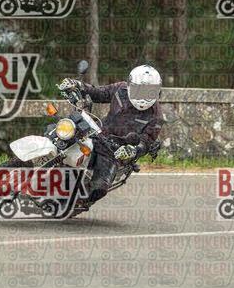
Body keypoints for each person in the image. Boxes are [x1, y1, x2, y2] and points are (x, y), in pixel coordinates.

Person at [58, 65, 163, 202]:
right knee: (61, 133)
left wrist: (133, 150)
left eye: (148, 91)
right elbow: (98, 92)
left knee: (99, 187)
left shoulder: (156, 116)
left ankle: (70, 203)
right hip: (97, 132)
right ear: (130, 85)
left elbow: (147, 141)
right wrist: (76, 85)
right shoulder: (120, 89)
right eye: (139, 90)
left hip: (114, 150)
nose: (143, 95)